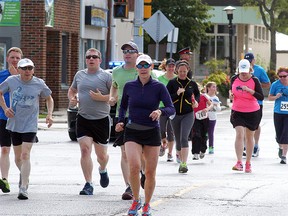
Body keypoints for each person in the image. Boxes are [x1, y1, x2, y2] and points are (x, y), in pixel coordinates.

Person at [115, 54, 175, 216]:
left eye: (145, 66)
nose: (142, 68)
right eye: (139, 65)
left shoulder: (158, 87)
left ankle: (147, 204)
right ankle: (136, 200)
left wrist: (159, 111)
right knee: (134, 167)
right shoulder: (129, 86)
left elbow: (171, 108)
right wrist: (121, 121)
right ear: (136, 68)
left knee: (150, 172)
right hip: (132, 130)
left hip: (151, 132)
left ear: (151, 68)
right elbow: (122, 106)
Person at [0, 58, 54, 200]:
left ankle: (23, 187)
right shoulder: (11, 81)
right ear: (19, 69)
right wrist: (5, 108)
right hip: (14, 124)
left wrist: (49, 114)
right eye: (24, 68)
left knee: (25, 155)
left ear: (33, 70)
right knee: (18, 158)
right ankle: (25, 176)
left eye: (30, 68)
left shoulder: (39, 83)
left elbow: (49, 98)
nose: (28, 71)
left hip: (30, 124)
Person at [68, 48, 111, 195]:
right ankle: (88, 183)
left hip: (101, 120)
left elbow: (114, 97)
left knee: (102, 157)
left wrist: (102, 98)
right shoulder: (80, 75)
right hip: (83, 118)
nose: (91, 59)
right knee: (85, 150)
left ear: (99, 59)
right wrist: (72, 99)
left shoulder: (106, 76)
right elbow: (72, 90)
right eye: (88, 57)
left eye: (94, 57)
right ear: (85, 59)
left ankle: (103, 169)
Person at [109, 41, 141, 200]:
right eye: (125, 51)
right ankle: (129, 185)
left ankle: (140, 173)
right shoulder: (116, 71)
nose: (127, 53)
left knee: (140, 153)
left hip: (141, 116)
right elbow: (114, 86)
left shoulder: (142, 70)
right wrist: (112, 97)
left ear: (137, 53)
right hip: (122, 116)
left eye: (131, 51)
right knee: (124, 152)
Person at [229, 59, 264, 173]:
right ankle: (239, 162)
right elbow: (231, 89)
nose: (243, 74)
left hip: (252, 111)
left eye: (245, 71)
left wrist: (249, 90)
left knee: (249, 137)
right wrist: (231, 94)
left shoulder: (254, 80)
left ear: (250, 69)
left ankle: (248, 163)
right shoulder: (234, 78)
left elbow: (261, 97)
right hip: (237, 110)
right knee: (239, 133)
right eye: (241, 71)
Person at [166, 60, 200, 173]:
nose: (182, 74)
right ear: (177, 71)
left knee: (184, 137)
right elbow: (166, 97)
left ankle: (184, 164)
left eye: (184, 71)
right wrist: (177, 94)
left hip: (188, 114)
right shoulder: (172, 83)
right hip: (175, 114)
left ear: (188, 71)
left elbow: (198, 94)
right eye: (180, 71)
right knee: (178, 139)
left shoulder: (192, 84)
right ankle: (180, 158)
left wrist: (197, 102)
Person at [0, 47, 22, 194]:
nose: (14, 60)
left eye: (17, 58)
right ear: (7, 58)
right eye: (12, 57)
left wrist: (16, 78)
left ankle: (24, 177)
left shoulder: (26, 76)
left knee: (20, 154)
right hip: (3, 117)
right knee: (5, 149)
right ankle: (5, 180)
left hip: (20, 120)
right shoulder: (1, 75)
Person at [244, 53, 271, 157]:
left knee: (255, 125)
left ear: (254, 60)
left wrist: (255, 85)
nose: (249, 62)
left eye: (250, 60)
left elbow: (267, 83)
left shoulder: (259, 70)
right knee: (243, 125)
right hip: (243, 101)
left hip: (257, 102)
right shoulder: (241, 69)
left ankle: (256, 145)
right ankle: (246, 145)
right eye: (247, 61)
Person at [157, 58, 177, 161]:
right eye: (169, 66)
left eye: (173, 66)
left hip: (174, 107)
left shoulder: (177, 79)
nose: (171, 68)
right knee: (161, 129)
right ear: (166, 67)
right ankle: (163, 144)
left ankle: (170, 153)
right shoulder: (160, 79)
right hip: (162, 106)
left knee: (171, 130)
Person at [268, 67, 288, 164]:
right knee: (280, 134)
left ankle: (284, 156)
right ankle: (280, 146)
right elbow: (269, 97)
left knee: (286, 133)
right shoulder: (275, 85)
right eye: (280, 76)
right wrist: (276, 97)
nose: (282, 78)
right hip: (278, 112)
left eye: (284, 76)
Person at [191, 84, 213, 160]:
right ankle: (195, 153)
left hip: (204, 118)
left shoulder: (203, 96)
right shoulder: (190, 98)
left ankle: (203, 150)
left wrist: (207, 109)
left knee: (204, 135)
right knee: (196, 135)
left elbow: (211, 104)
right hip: (194, 118)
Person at [206, 82, 222, 154]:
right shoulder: (205, 96)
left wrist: (215, 105)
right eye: (213, 87)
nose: (214, 88)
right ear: (208, 88)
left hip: (212, 118)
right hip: (204, 118)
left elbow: (219, 109)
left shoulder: (215, 98)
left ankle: (211, 147)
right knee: (203, 133)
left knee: (210, 133)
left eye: (215, 87)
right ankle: (202, 146)